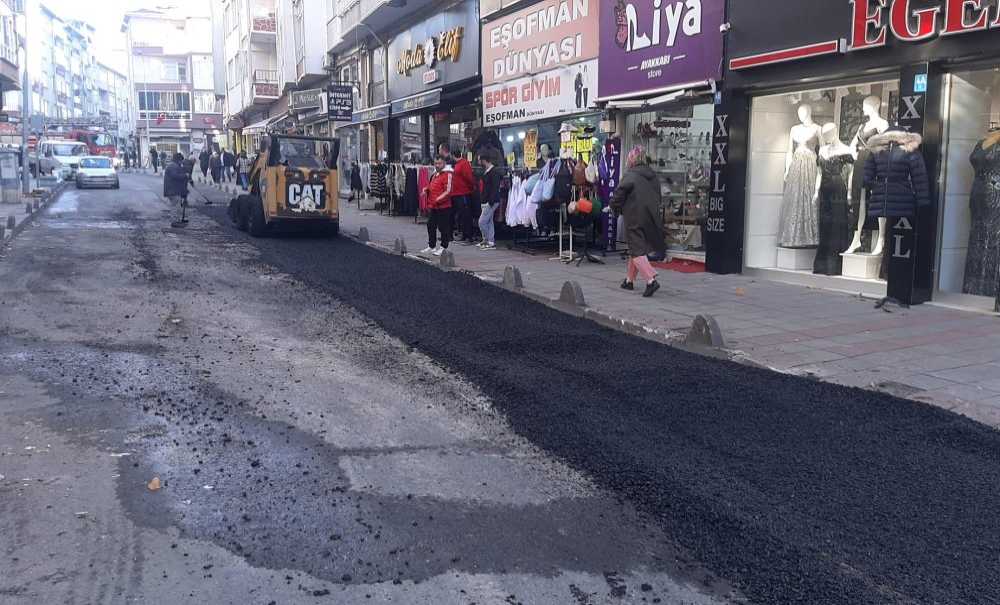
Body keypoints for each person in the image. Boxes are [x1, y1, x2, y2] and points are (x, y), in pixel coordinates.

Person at [610, 146, 666, 297]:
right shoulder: (652, 175)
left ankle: (650, 280)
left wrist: (613, 207)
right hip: (650, 215)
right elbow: (658, 196)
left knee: (636, 249)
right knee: (636, 247)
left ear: (632, 159)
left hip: (634, 215)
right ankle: (629, 280)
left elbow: (619, 194)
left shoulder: (631, 175)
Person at [438, 142, 476, 244]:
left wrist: (470, 188)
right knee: (454, 215)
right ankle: (456, 235)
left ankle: (468, 236)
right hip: (455, 193)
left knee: (465, 215)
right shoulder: (457, 164)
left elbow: (469, 178)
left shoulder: (463, 164)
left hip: (462, 193)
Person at [421, 155, 454, 257]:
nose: (437, 165)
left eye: (439, 163)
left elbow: (448, 191)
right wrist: (426, 189)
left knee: (443, 227)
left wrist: (437, 200)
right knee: (430, 225)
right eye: (435, 163)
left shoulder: (448, 174)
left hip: (444, 206)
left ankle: (444, 247)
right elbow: (432, 186)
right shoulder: (435, 174)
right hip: (434, 206)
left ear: (444, 163)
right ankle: (432, 246)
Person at [477, 148, 502, 250]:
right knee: (489, 221)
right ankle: (489, 241)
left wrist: (490, 201)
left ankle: (487, 240)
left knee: (482, 221)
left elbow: (495, 187)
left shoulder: (494, 172)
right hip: (486, 200)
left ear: (484, 160)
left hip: (491, 201)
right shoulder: (488, 171)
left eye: (479, 160)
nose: (478, 162)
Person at [163, 152, 189, 227]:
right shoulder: (173, 166)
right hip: (172, 190)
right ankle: (174, 222)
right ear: (178, 160)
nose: (182, 162)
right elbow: (175, 176)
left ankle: (177, 220)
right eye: (181, 160)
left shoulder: (174, 166)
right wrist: (185, 175)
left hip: (173, 190)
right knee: (175, 206)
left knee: (177, 206)